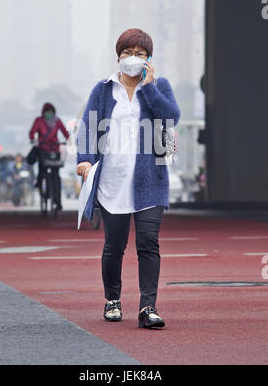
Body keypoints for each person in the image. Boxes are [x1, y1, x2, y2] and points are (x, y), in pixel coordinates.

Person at [76, 28, 180, 329]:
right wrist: (84, 160)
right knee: (114, 245)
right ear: (118, 55)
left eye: (140, 53)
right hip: (112, 180)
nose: (133, 58)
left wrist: (149, 87)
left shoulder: (160, 87)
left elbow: (171, 117)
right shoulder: (103, 89)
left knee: (149, 243)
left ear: (149, 59)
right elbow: (89, 127)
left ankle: (148, 307)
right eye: (128, 52)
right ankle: (112, 299)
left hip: (151, 181)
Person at [29, 102, 69, 211]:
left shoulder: (57, 121)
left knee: (56, 175)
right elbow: (32, 132)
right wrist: (34, 140)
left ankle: (58, 201)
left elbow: (65, 132)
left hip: (54, 149)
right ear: (43, 112)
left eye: (51, 112)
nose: (49, 114)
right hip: (43, 149)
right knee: (42, 169)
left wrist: (69, 140)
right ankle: (40, 183)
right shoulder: (39, 121)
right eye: (47, 112)